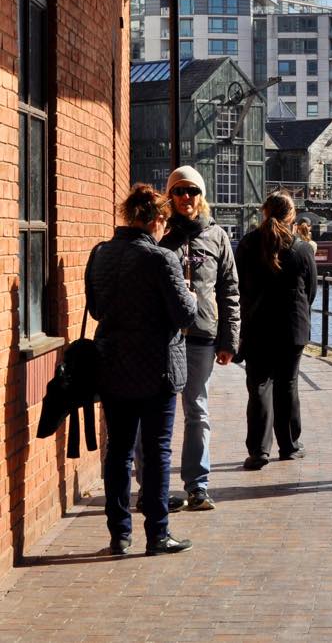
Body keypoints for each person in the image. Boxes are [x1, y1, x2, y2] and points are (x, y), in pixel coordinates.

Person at [88, 184, 197, 556]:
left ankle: (119, 533)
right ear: (154, 219)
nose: (164, 229)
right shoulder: (161, 259)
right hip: (158, 369)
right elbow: (185, 315)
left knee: (117, 452)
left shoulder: (100, 254)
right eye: (163, 221)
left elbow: (96, 309)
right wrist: (188, 293)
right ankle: (157, 533)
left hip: (113, 365)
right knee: (156, 452)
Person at [150, 165, 239, 512]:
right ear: (170, 196)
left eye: (192, 191)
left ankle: (197, 486)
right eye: (179, 191)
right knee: (156, 411)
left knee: (197, 410)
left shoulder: (217, 237)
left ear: (202, 197)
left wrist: (229, 339)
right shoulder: (160, 234)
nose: (186, 197)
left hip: (202, 335)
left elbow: (230, 290)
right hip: (165, 335)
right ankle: (152, 488)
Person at [235, 191, 316, 469]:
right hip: (292, 327)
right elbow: (311, 290)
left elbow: (239, 287)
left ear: (264, 212)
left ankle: (258, 450)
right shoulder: (301, 248)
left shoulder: (247, 244)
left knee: (258, 385)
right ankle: (290, 446)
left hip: (257, 326)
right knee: (289, 384)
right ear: (291, 215)